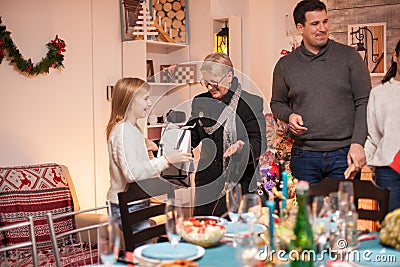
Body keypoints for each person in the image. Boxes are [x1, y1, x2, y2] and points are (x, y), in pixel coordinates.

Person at [270, 0, 371, 184]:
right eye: (315, 23)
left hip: (344, 154)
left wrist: (358, 143)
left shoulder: (350, 57)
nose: (322, 28)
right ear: (300, 27)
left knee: (343, 212)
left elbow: (364, 102)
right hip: (304, 156)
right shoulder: (285, 65)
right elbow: (277, 103)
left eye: (325, 21)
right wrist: (290, 116)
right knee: (306, 213)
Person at [105, 77, 192, 230]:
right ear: (130, 102)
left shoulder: (133, 129)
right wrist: (166, 160)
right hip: (127, 205)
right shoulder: (123, 131)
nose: (150, 103)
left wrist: (151, 149)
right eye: (145, 99)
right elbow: (132, 173)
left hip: (137, 202)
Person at [187, 52, 266, 216]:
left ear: (229, 76)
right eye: (206, 82)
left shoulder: (250, 103)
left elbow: (260, 142)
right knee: (203, 230)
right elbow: (191, 135)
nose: (210, 87)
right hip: (207, 182)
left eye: (214, 81)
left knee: (235, 232)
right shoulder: (200, 102)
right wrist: (163, 143)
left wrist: (242, 147)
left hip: (240, 180)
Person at [364, 39, 400, 211]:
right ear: (396, 57)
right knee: (389, 230)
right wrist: (373, 164)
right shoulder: (379, 93)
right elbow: (373, 135)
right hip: (389, 170)